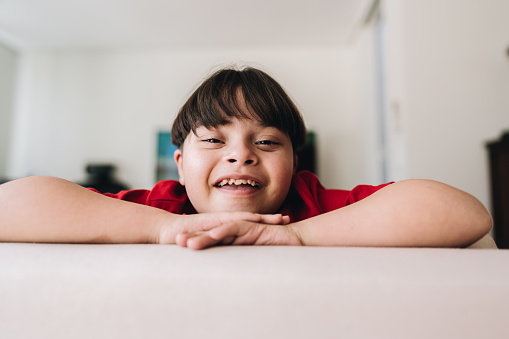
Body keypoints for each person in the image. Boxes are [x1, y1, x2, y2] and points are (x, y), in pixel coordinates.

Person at [0, 66, 492, 250]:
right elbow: (12, 205)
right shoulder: (157, 207)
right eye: (213, 141)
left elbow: (466, 214)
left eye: (267, 142)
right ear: (178, 165)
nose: (240, 156)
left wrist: (295, 234)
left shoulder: (315, 204)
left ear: (296, 164)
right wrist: (161, 230)